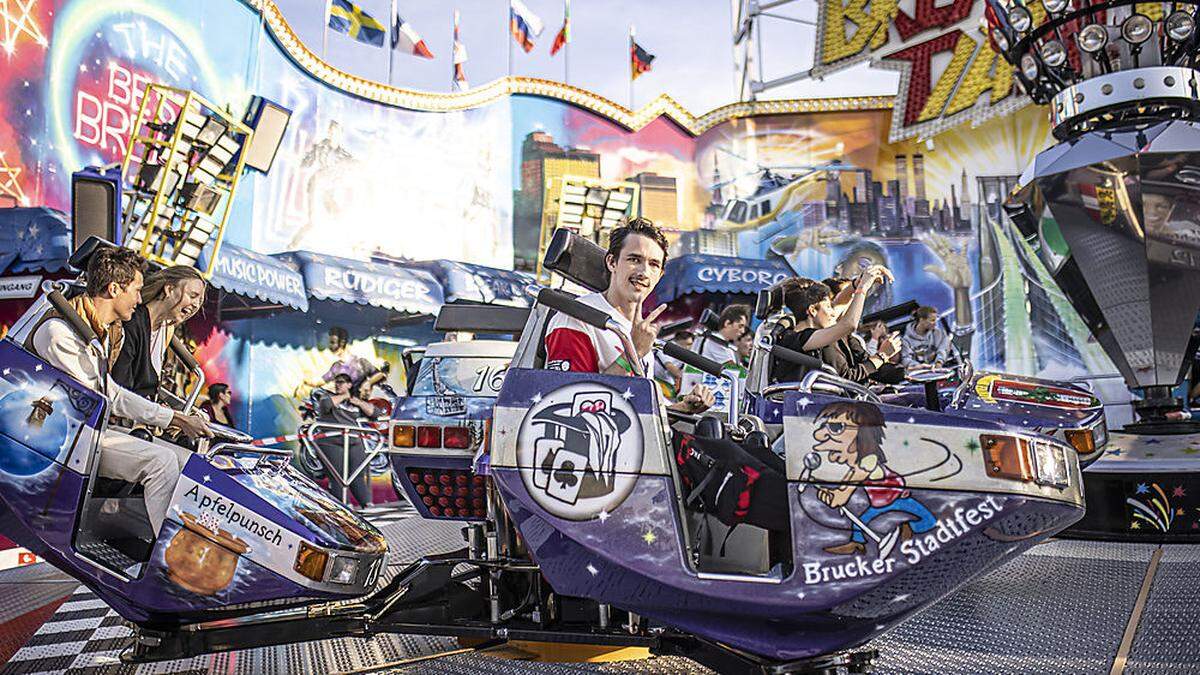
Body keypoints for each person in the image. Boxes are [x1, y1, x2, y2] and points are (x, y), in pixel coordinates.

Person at [26, 247, 211, 536]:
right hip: (60, 436)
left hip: (85, 430)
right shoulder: (58, 332)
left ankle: (170, 547)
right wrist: (173, 419)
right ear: (114, 289)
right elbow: (109, 395)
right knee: (160, 463)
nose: (140, 298)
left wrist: (176, 417)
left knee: (184, 461)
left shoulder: (101, 332)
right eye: (136, 290)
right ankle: (167, 556)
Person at [544, 218, 713, 413]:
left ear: (660, 275)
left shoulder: (638, 330)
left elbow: (640, 416)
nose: (644, 272)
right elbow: (571, 407)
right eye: (634, 260)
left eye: (654, 264)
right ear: (612, 262)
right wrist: (632, 354)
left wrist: (683, 408)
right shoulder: (577, 318)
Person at [771, 269, 900, 384]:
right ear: (812, 310)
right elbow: (849, 325)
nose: (833, 312)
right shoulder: (795, 339)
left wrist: (855, 284)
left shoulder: (819, 329)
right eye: (828, 307)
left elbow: (839, 304)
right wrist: (882, 355)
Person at [112, 265, 207, 400]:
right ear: (169, 289)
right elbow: (120, 385)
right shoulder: (132, 321)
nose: (196, 305)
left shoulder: (166, 329)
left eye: (200, 301)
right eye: (193, 296)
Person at [315, 373, 380, 509]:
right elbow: (326, 405)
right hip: (331, 442)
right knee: (338, 476)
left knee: (357, 474)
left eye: (341, 382)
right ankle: (344, 505)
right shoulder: (327, 397)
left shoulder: (354, 402)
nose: (338, 384)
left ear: (349, 385)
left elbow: (375, 413)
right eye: (336, 382)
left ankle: (367, 504)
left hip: (354, 441)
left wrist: (359, 402)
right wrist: (344, 396)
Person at [304, 326, 387, 399]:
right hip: (344, 406)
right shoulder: (336, 367)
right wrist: (305, 380)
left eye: (333, 342)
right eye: (330, 343)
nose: (330, 346)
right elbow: (321, 381)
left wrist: (368, 383)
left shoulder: (360, 363)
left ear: (342, 342)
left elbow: (380, 374)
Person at [653, 329, 694, 398]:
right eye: (686, 344)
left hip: (669, 381)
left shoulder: (685, 352)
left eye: (690, 344)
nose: (688, 347)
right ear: (677, 342)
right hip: (657, 379)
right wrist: (687, 378)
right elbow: (670, 367)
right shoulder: (665, 348)